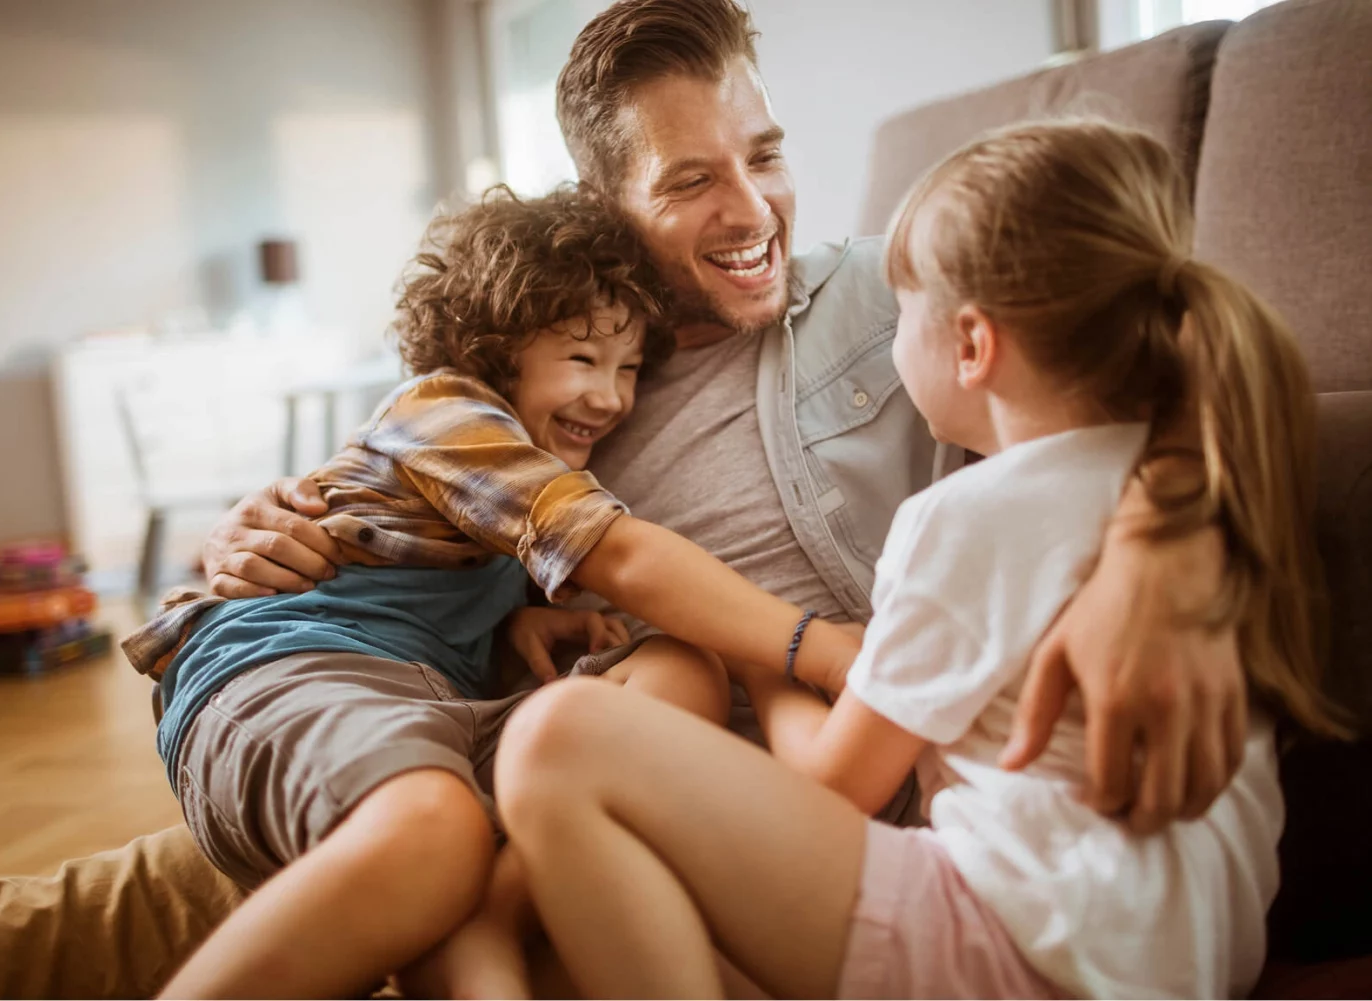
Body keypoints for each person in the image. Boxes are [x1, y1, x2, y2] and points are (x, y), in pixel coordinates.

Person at [0, 2, 1249, 996]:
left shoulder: (893, 286)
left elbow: (1178, 322)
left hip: (785, 808)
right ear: (603, 200)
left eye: (764, 153)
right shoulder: (559, 383)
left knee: (414, 868)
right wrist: (273, 525)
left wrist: (1160, 546)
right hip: (484, 743)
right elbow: (428, 489)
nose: (754, 209)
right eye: (692, 179)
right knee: (73, 923)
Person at [491, 118, 1347, 999]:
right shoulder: (1207, 483)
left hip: (1023, 945)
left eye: (902, 313)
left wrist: (761, 657)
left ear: (972, 346)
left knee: (554, 741)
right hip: (1189, 958)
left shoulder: (969, 518)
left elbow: (832, 787)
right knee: (602, 936)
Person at [142, 184, 872, 999]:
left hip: (426, 710)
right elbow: (620, 556)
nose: (613, 397)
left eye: (629, 369)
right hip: (292, 671)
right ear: (494, 345)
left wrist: (512, 619)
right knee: (435, 830)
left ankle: (487, 915)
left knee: (682, 669)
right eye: (583, 359)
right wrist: (812, 642)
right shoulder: (445, 408)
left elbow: (435, 560)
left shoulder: (517, 460)